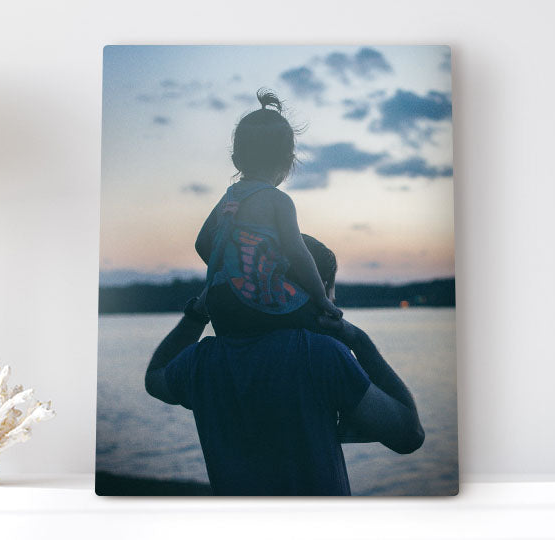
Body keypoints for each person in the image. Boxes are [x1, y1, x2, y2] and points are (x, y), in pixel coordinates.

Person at [145, 235, 424, 495]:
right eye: (330, 295)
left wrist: (197, 312)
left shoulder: (202, 362)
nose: (334, 304)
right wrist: (358, 340)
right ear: (316, 294)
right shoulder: (321, 356)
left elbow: (155, 377)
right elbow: (409, 435)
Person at [195, 90, 342, 337]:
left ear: (236, 160)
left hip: (220, 302)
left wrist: (233, 269)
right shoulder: (279, 201)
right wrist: (320, 297)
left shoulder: (229, 198)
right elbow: (298, 253)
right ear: (288, 161)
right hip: (259, 299)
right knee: (324, 326)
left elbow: (202, 244)